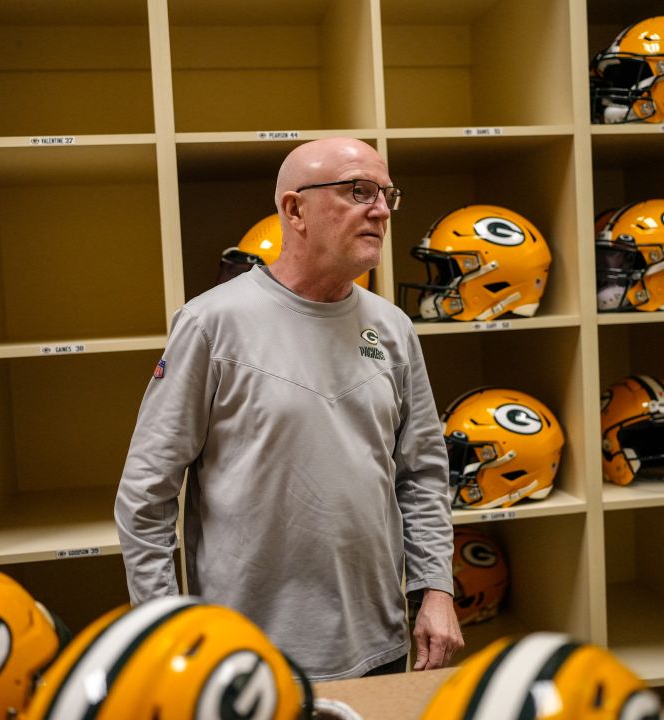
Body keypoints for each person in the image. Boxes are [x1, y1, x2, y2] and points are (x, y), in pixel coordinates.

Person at [115, 137, 463, 681]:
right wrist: (161, 628)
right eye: (358, 190)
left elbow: (421, 474)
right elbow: (145, 493)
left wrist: (436, 589)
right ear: (294, 209)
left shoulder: (392, 327)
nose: (379, 209)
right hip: (245, 657)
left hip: (379, 644)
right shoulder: (211, 323)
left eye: (385, 194)